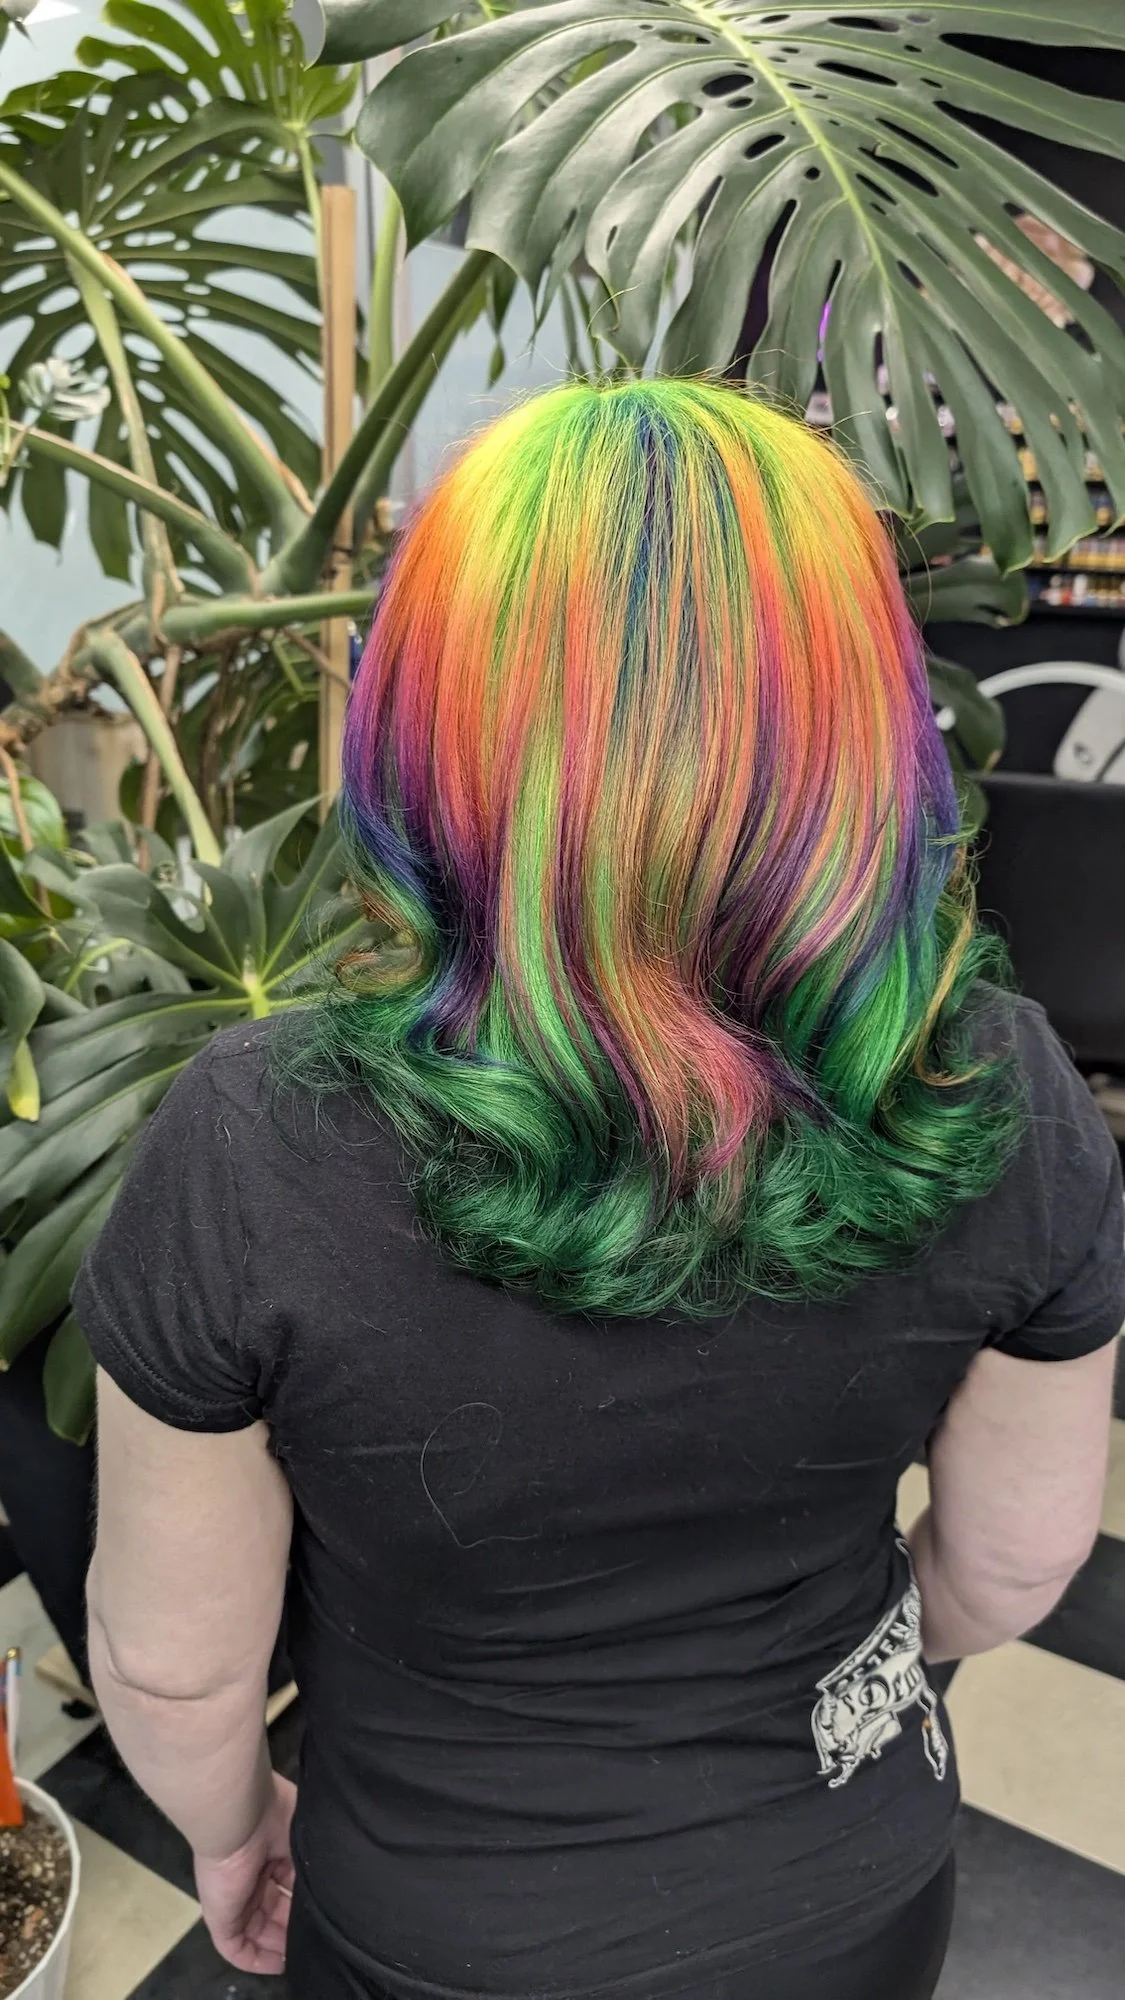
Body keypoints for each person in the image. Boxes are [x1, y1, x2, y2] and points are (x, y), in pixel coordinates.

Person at [78, 382, 1123, 2000]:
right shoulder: (998, 1084)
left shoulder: (250, 1142)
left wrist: (234, 1834)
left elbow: (172, 1664)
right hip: (848, 1892)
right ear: (858, 717)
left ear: (426, 715)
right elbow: (1012, 1563)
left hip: (439, 1929)